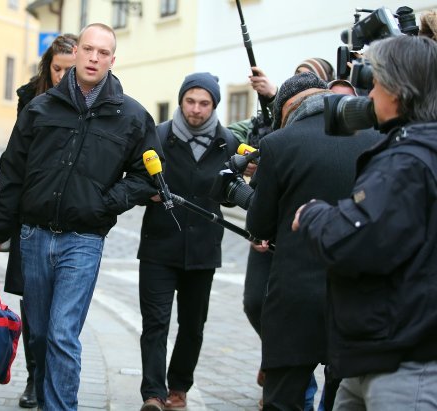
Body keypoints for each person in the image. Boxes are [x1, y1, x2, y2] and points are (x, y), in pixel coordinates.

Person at [0, 23, 161, 411]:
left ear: (112, 60)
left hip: (83, 240)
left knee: (62, 334)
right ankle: (48, 400)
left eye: (103, 53)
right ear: (76, 53)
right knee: (40, 334)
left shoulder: (131, 116)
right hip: (33, 237)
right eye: (88, 49)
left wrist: (104, 203)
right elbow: (13, 174)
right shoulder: (40, 108)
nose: (94, 58)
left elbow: (147, 176)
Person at [292, 35, 437, 410]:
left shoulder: (408, 161)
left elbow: (356, 240)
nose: (369, 95)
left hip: (403, 361)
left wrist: (314, 214)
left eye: (376, 83)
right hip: (380, 351)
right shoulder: (415, 150)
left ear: (399, 90)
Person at [228, 71, 379, 410]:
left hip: (296, 300)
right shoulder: (373, 137)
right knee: (345, 399)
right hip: (356, 297)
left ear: (286, 109)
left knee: (284, 400)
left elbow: (260, 226)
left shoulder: (278, 143)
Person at [137, 73, 237, 411]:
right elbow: (136, 180)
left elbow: (232, 195)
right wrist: (147, 192)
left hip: (203, 250)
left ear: (214, 105)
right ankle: (153, 393)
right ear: (181, 101)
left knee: (193, 326)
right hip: (159, 246)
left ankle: (178, 388)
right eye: (190, 101)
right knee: (155, 323)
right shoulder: (158, 136)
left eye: (204, 103)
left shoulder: (228, 143)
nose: (196, 109)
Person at [3, 32, 77, 409]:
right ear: (48, 66)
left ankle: (51, 380)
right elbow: (17, 161)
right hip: (29, 215)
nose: (63, 76)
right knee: (31, 302)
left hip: (68, 216)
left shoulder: (89, 101)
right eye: (58, 69)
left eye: (70, 69)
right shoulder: (30, 99)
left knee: (61, 314)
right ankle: (34, 377)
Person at [15, 33, 78, 114]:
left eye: (69, 71)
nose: (61, 76)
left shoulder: (90, 98)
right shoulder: (28, 95)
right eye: (56, 69)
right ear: (48, 66)